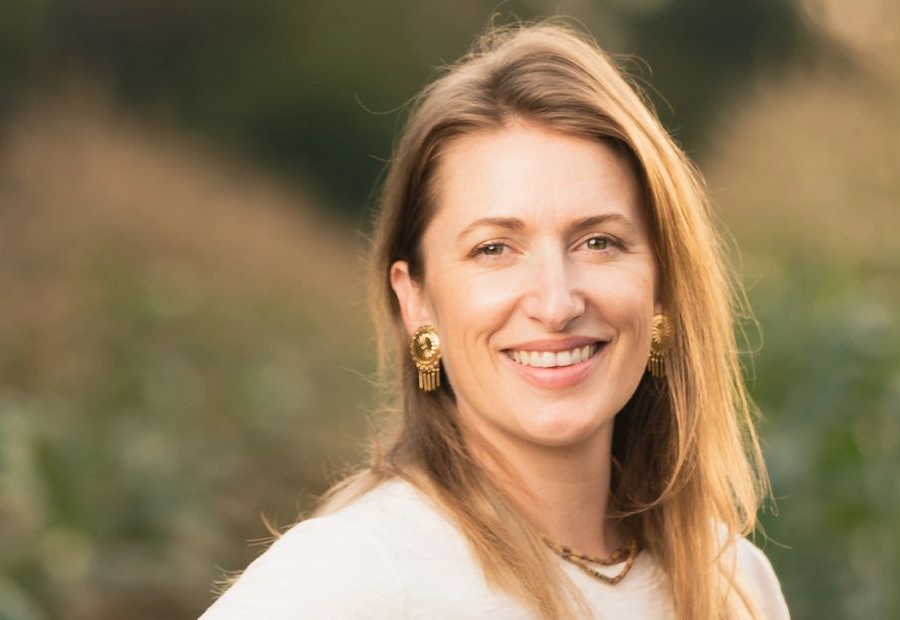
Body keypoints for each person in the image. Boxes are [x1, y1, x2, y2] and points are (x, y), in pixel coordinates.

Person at [201, 19, 788, 620]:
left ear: (662, 286)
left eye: (598, 242)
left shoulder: (736, 584)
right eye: (494, 249)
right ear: (416, 301)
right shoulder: (357, 575)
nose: (556, 304)